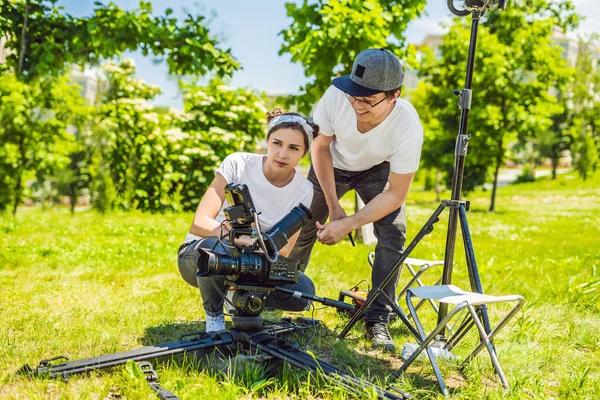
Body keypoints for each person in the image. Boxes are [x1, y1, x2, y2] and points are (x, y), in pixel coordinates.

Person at [289, 48, 424, 351]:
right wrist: (334, 205)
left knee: (394, 232)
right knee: (301, 222)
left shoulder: (408, 126)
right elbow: (320, 147)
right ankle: (283, 291)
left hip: (376, 170)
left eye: (367, 100)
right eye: (354, 96)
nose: (357, 105)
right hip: (332, 164)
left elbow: (397, 193)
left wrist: (349, 223)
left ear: (393, 96)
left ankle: (377, 318)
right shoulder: (337, 96)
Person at [177, 108, 319, 332]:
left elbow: (283, 252)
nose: (282, 153)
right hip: (204, 255)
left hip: (257, 259)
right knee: (216, 250)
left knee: (304, 290)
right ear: (267, 141)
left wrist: (253, 242)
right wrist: (233, 236)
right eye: (277, 143)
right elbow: (200, 223)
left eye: (293, 148)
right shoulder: (238, 163)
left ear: (304, 153)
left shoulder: (304, 189)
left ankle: (241, 298)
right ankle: (214, 317)